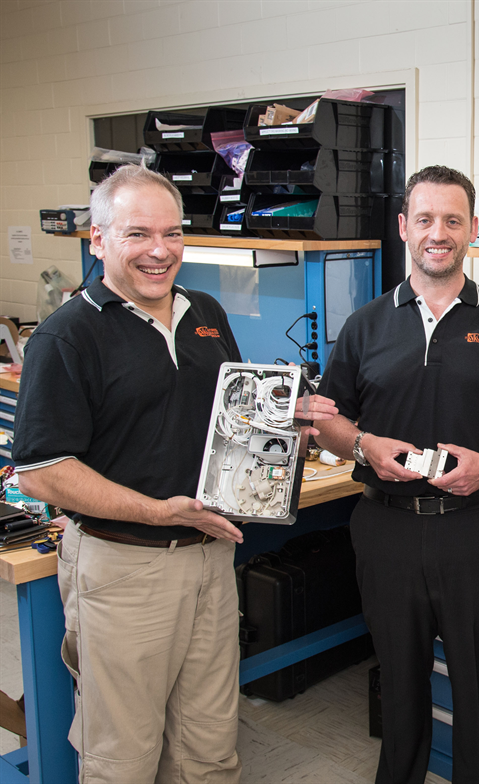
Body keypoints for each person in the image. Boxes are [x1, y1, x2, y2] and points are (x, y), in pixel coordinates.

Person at [12, 164, 337, 783]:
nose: (160, 251)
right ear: (99, 239)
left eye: (172, 232)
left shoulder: (205, 311)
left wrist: (280, 421)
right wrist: (158, 510)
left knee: (208, 747)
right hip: (124, 567)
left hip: (211, 557)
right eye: (138, 234)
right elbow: (42, 472)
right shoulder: (68, 336)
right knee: (122, 757)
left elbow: (226, 421)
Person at [313, 165, 479, 784]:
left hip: (475, 530)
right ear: (403, 228)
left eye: (452, 220)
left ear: (472, 229)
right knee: (398, 685)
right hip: (386, 529)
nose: (438, 233)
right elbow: (330, 420)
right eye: (424, 219)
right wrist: (365, 445)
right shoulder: (366, 324)